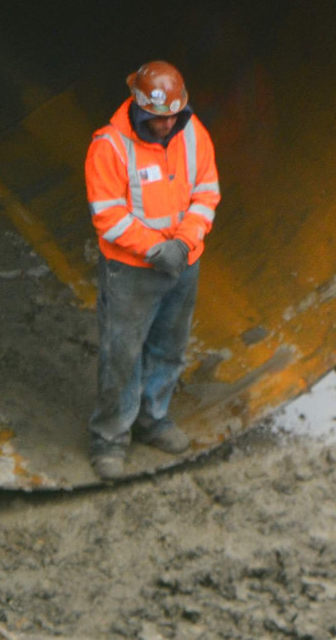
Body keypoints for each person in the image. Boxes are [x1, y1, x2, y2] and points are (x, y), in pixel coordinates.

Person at [84, 60, 221, 481]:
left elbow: (207, 191)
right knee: (121, 354)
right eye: (157, 119)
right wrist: (154, 249)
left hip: (183, 263)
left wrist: (183, 243)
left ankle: (152, 417)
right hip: (132, 272)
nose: (165, 127)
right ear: (139, 108)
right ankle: (110, 437)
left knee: (169, 346)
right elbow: (108, 214)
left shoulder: (193, 133)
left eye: (172, 118)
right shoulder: (109, 146)